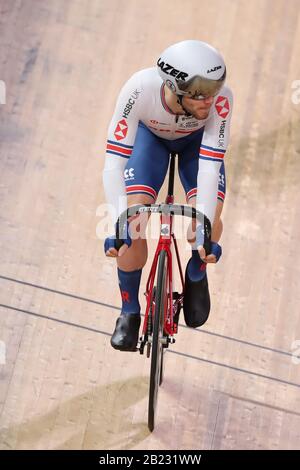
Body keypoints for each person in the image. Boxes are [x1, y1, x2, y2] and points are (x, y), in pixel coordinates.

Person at [102, 40, 233, 351]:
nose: (210, 100)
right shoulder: (138, 89)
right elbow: (113, 165)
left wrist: (203, 232)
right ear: (175, 88)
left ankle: (196, 271)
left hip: (195, 145)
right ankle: (129, 310)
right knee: (131, 223)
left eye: (215, 89)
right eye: (201, 94)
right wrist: (117, 223)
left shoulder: (221, 101)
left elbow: (210, 167)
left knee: (207, 220)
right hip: (151, 141)